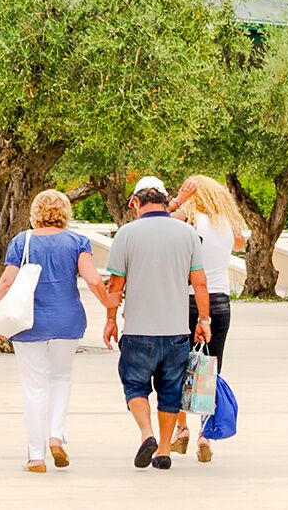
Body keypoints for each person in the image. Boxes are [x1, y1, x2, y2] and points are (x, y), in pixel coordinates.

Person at [101, 176, 212, 471]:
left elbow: (115, 285)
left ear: (137, 202)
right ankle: (163, 451)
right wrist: (204, 320)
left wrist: (110, 320)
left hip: (138, 330)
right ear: (165, 202)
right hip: (176, 331)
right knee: (171, 390)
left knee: (134, 385)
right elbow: (200, 282)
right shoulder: (187, 233)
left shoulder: (126, 234)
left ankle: (146, 433)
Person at [0, 188, 106, 473]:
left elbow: (6, 282)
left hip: (29, 323)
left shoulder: (22, 241)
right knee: (61, 378)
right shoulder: (78, 242)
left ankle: (36, 457)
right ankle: (56, 436)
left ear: (36, 213)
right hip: (67, 321)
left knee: (34, 388)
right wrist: (109, 303)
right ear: (65, 212)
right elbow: (93, 279)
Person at [173, 174, 242, 463]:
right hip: (220, 302)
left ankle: (181, 429)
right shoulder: (227, 223)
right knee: (210, 368)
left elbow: (155, 223)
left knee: (178, 366)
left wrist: (177, 201)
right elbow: (240, 243)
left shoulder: (188, 220)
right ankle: (205, 434)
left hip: (188, 299)